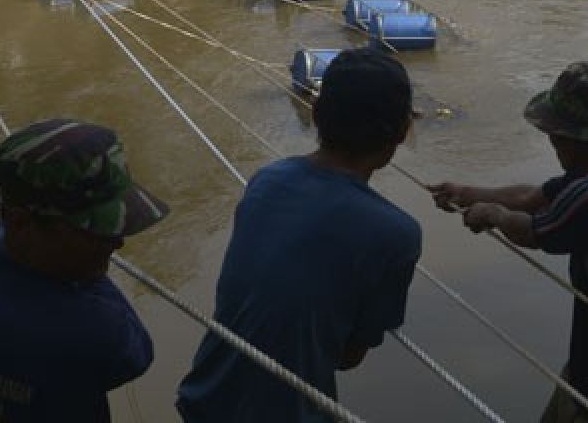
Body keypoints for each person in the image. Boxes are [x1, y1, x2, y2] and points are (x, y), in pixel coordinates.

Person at [431, 62, 588, 423]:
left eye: (553, 135)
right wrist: (469, 192)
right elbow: (534, 197)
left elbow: (533, 231)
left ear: (571, 139)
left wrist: (493, 215)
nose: (551, 142)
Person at [177, 47, 422, 422]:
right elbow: (348, 357)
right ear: (404, 130)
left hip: (205, 398)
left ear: (316, 112)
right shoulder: (396, 233)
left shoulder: (267, 180)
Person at [0, 119, 170, 423]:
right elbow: (136, 355)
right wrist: (90, 274)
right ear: (21, 223)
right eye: (94, 229)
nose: (117, 243)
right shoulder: (96, 329)